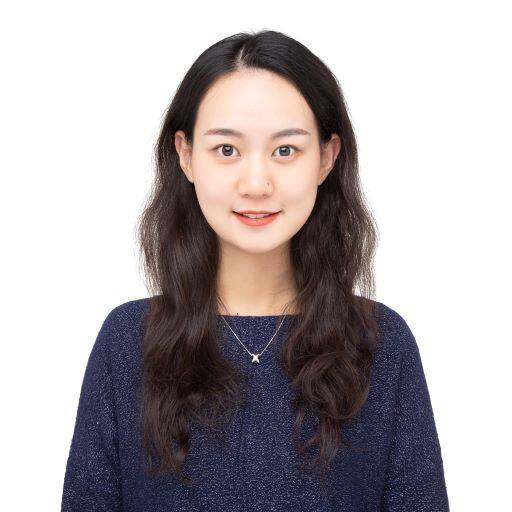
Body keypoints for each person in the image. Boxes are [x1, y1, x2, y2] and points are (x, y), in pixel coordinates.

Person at [61, 29, 450, 511]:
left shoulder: (380, 343)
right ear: (186, 155)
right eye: (227, 150)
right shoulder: (127, 342)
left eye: (285, 150)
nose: (256, 183)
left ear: (326, 158)